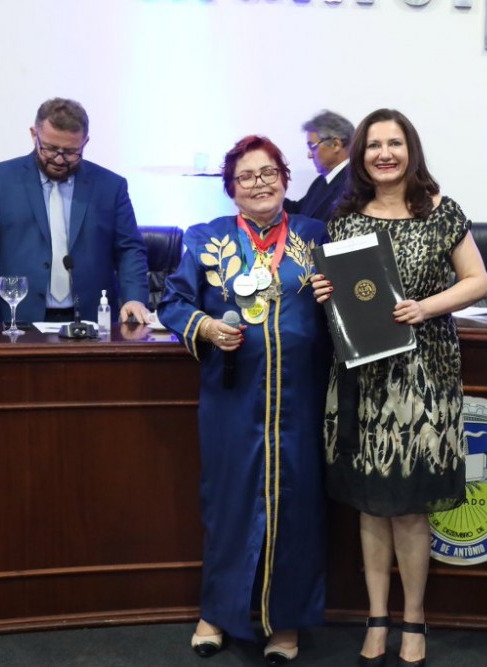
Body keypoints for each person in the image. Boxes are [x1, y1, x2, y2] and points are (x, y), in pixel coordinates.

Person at [313, 108, 487, 667]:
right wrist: (324, 292)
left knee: (410, 509)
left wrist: (422, 308)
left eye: (394, 143)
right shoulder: (343, 220)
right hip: (361, 380)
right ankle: (376, 618)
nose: (383, 154)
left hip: (424, 380)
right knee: (370, 507)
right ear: (359, 155)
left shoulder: (441, 211)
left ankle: (414, 620)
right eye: (373, 146)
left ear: (410, 150)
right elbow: (344, 302)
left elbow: (478, 281)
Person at [158, 135, 331, 665]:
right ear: (231, 189)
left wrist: (338, 295)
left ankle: (285, 622)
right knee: (228, 505)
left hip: (301, 401)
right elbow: (173, 301)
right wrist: (206, 326)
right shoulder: (206, 237)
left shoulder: (316, 235)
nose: (259, 183)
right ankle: (217, 612)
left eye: (268, 172)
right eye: (246, 176)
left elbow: (352, 309)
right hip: (231, 401)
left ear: (285, 177)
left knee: (297, 511)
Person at [0, 97, 150, 326]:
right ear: (34, 135)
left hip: (92, 319)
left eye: (72, 152)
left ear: (86, 142)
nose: (60, 159)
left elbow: (129, 248)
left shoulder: (111, 186)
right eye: (51, 149)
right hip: (17, 319)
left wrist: (134, 298)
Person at [283, 110, 354, 222]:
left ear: (336, 145)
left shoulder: (354, 184)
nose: (309, 155)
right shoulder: (320, 181)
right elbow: (300, 211)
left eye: (313, 147)